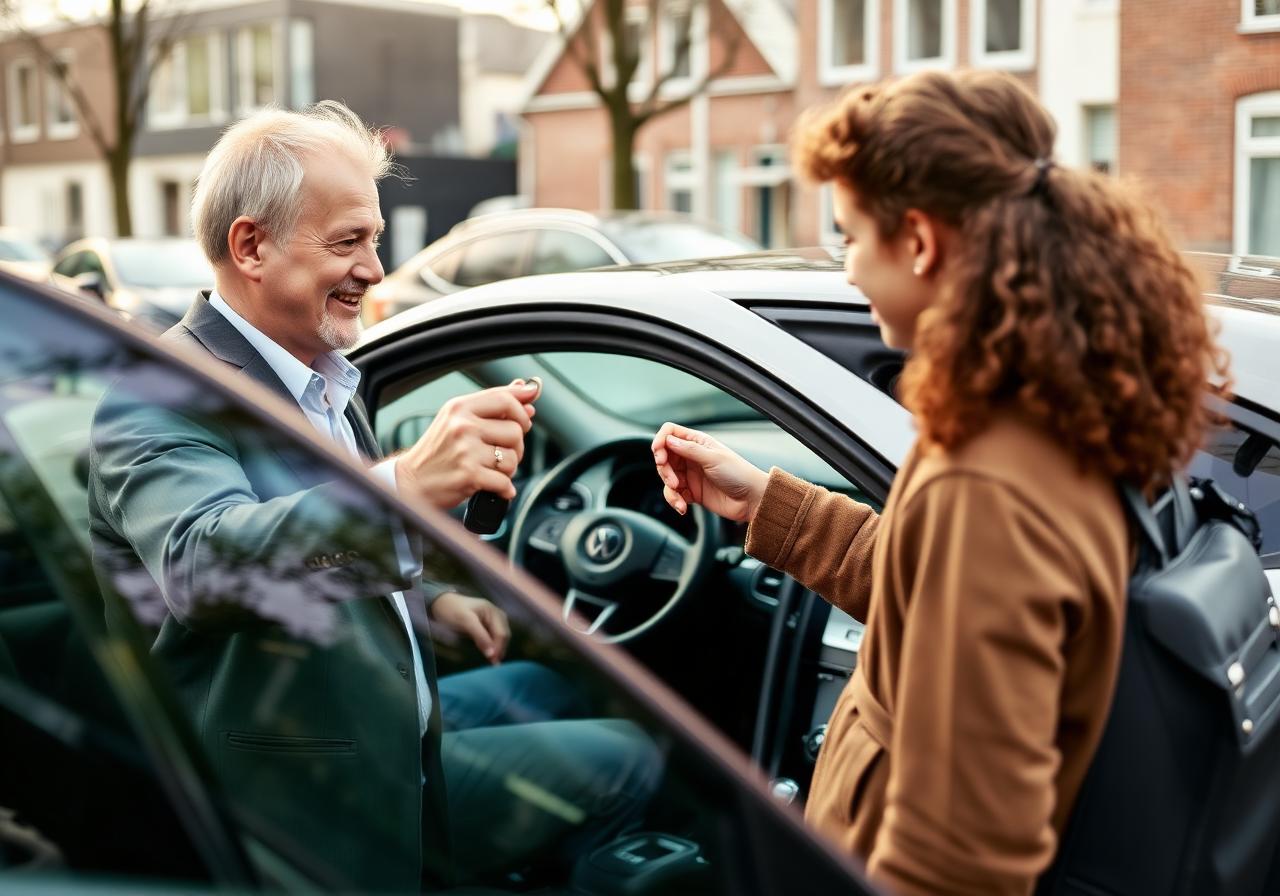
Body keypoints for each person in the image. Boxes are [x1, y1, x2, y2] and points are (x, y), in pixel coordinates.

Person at [652, 70, 1227, 896]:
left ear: (918, 241)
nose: (847, 270)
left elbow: (959, 861)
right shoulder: (1043, 408)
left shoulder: (991, 479)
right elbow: (936, 582)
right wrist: (762, 504)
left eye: (849, 236)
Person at [88, 100, 658, 891]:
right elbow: (202, 562)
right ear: (251, 246)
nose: (377, 270)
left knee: (552, 683)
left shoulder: (322, 372)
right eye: (349, 241)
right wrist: (405, 488)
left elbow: (320, 548)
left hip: (372, 702)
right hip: (302, 791)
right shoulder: (158, 393)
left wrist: (428, 603)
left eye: (376, 241)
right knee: (635, 759)